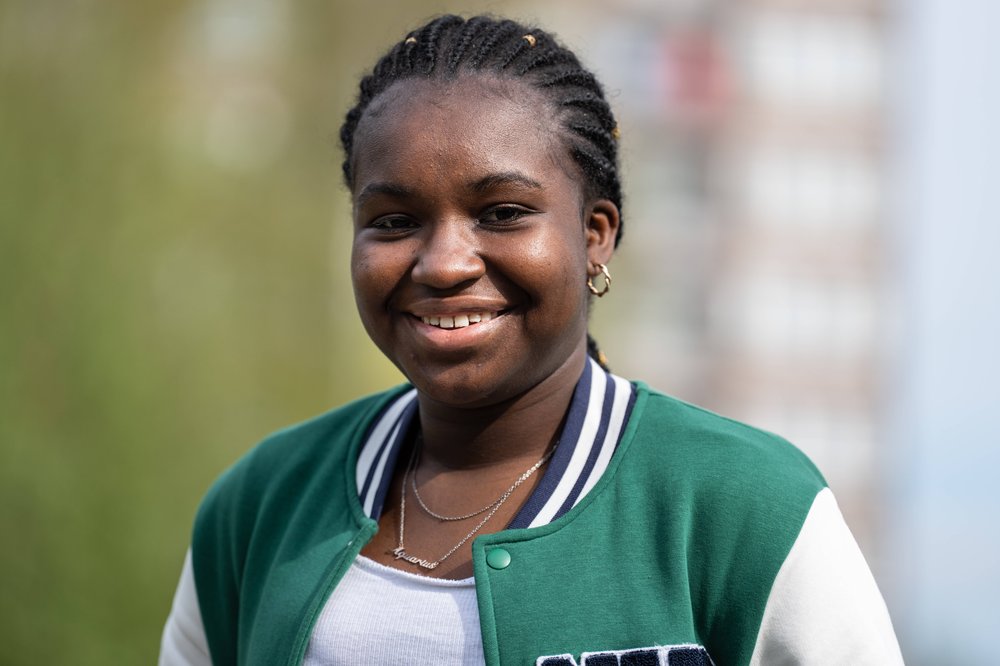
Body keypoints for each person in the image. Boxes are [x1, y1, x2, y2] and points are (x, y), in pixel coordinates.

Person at [159, 14, 903, 666]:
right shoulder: (262, 505)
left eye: (503, 211)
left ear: (594, 236)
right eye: (392, 221)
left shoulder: (747, 507)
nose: (444, 262)